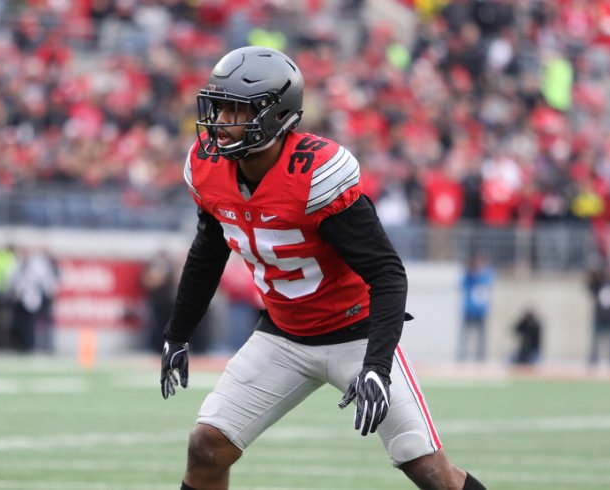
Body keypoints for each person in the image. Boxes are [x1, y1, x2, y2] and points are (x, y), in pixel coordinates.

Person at [158, 46, 485, 490]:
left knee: (429, 471)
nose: (222, 120)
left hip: (356, 335)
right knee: (207, 446)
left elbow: (388, 274)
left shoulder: (316, 173)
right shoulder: (208, 165)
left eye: (237, 109)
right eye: (219, 107)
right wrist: (178, 333)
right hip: (282, 335)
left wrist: (377, 365)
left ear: (275, 116)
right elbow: (209, 249)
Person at [458, 252, 494, 362]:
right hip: (469, 310)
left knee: (481, 338)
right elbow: (462, 284)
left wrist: (479, 272)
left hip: (481, 311)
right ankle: (462, 358)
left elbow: (489, 280)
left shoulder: (485, 275)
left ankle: (481, 359)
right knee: (465, 336)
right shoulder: (468, 276)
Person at [586, 263, 610, 367]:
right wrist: (595, 276)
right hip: (599, 316)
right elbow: (590, 286)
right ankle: (593, 360)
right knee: (595, 340)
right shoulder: (598, 284)